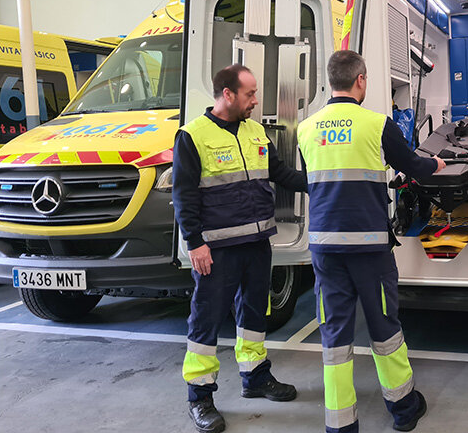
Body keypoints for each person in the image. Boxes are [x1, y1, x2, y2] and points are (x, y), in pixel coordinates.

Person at [297, 50, 445, 433]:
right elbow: (413, 166)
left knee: (334, 334)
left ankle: (341, 423)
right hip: (368, 248)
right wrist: (437, 164)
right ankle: (403, 409)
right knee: (384, 328)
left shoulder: (306, 128)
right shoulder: (377, 124)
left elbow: (313, 180)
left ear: (331, 80)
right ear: (360, 80)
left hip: (325, 250)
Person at [173, 64, 307, 433]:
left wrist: (322, 181)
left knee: (254, 314)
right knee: (206, 319)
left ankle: (255, 378)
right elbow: (183, 195)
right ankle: (200, 398)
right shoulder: (192, 136)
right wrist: (195, 243)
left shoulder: (255, 130)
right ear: (227, 94)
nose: (256, 100)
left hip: (257, 243)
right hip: (217, 249)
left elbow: (281, 174)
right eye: (249, 93)